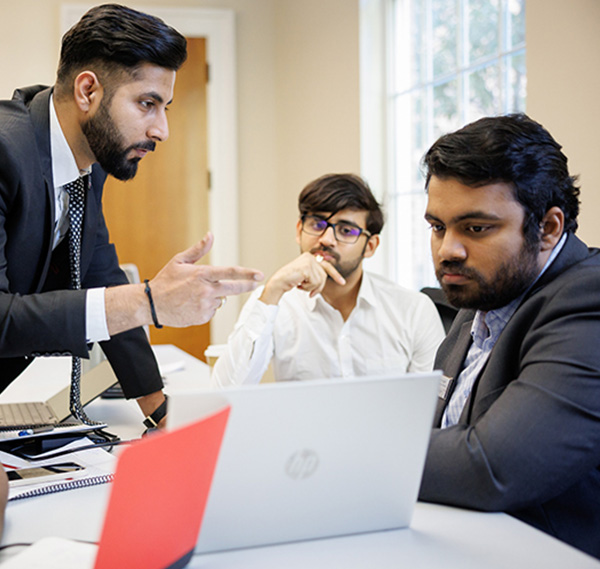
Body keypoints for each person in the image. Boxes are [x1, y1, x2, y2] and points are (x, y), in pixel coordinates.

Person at [0, 4, 262, 428]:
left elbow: (101, 275)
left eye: (166, 108)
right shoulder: (5, 151)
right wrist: (150, 301)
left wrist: (160, 412)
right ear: (88, 91)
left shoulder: (89, 162)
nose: (162, 130)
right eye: (147, 104)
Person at [418, 113, 600, 559]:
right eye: (438, 227)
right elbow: (440, 429)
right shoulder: (487, 288)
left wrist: (348, 449)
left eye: (476, 228)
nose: (448, 250)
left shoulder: (588, 300)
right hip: (462, 549)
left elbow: (491, 468)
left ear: (549, 227)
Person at [211, 173, 445, 387]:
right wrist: (274, 289)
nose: (327, 239)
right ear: (299, 230)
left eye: (346, 230)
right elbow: (226, 392)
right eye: (317, 224)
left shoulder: (414, 310)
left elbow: (431, 411)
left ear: (370, 246)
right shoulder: (274, 301)